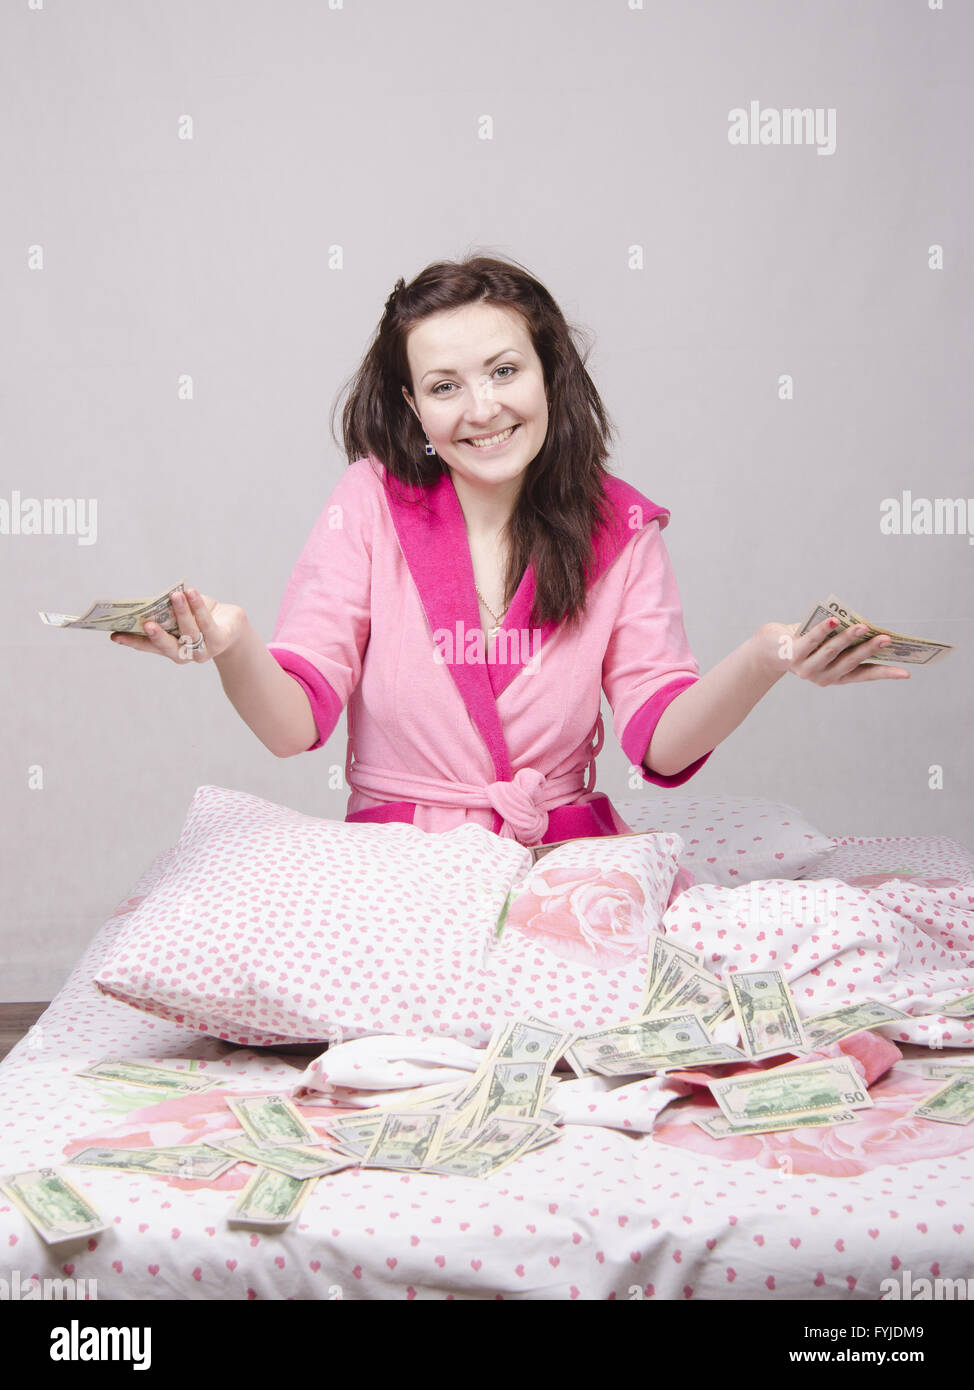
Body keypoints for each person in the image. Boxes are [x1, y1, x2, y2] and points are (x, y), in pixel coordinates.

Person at [110, 253, 909, 847]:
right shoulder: (366, 503)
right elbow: (293, 725)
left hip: (566, 866)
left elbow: (658, 740)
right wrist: (231, 644)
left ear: (549, 374)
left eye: (503, 370)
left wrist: (768, 658)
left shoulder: (620, 527)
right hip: (401, 869)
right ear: (413, 407)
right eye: (445, 385)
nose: (482, 408)